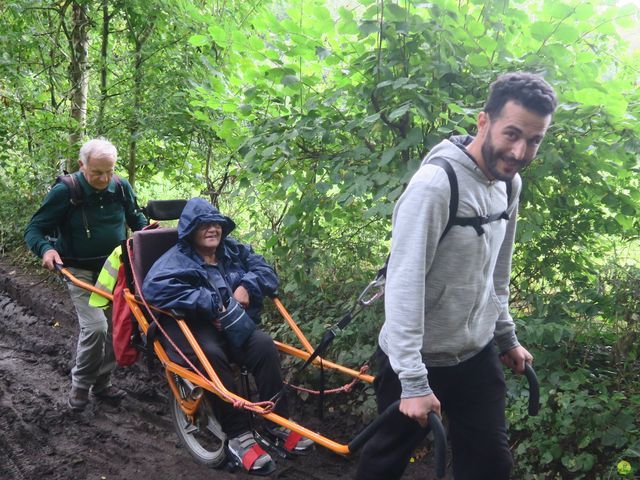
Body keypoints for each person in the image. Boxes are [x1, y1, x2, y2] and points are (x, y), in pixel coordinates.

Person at [356, 72, 557, 480]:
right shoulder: (435, 186)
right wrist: (412, 381)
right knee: (386, 462)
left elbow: (496, 274)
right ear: (484, 122)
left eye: (534, 140)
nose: (520, 151)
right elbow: (403, 285)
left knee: (490, 465)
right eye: (512, 133)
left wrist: (506, 336)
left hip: (477, 354)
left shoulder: (509, 184)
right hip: (416, 360)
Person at [141, 197, 313, 475]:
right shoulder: (175, 259)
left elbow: (266, 272)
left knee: (264, 344)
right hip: (194, 328)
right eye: (204, 225)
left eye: (217, 224)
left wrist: (247, 284)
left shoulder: (233, 251)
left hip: (234, 327)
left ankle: (277, 424)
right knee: (212, 354)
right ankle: (238, 436)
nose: (212, 229)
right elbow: (154, 289)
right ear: (190, 230)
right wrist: (210, 302)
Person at [24, 137, 148, 412]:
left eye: (109, 171)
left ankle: (102, 384)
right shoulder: (65, 191)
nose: (104, 178)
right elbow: (34, 229)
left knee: (118, 328)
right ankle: (81, 386)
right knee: (96, 328)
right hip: (79, 270)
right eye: (97, 172)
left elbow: (135, 218)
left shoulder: (120, 187)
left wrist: (148, 231)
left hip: (116, 268)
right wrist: (46, 250)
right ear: (82, 165)